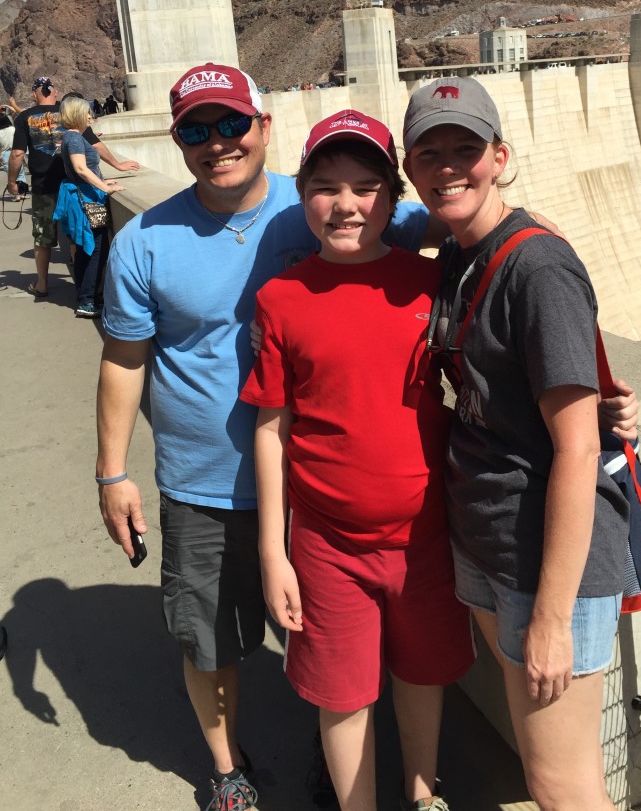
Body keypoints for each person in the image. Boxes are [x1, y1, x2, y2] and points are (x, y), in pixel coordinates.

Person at [95, 66, 434, 811]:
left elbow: (443, 224)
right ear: (177, 138)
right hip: (202, 478)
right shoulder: (145, 243)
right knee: (210, 636)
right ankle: (226, 769)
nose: (217, 144)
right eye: (195, 129)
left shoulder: (317, 201)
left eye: (231, 125)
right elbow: (124, 360)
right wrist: (111, 472)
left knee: (330, 639)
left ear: (264, 127)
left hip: (319, 486)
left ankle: (333, 755)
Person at [401, 76, 633, 811]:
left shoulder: (538, 270)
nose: (447, 167)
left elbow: (576, 448)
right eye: (428, 152)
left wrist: (554, 622)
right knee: (548, 774)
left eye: (465, 149)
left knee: (561, 784)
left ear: (499, 156)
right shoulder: (459, 254)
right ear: (409, 170)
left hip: (548, 564)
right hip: (491, 543)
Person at [242, 112, 475, 811]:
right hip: (325, 544)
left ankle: (422, 791)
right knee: (342, 695)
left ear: (394, 198)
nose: (346, 205)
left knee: (422, 673)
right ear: (303, 193)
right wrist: (274, 553)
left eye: (366, 187)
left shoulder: (430, 284)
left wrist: (605, 400)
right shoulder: (281, 299)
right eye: (327, 187)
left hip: (425, 536)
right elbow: (270, 428)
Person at [6, 77, 139, 298]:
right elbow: (95, 142)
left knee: (43, 238)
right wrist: (118, 165)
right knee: (77, 233)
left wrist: (12, 182)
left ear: (34, 93)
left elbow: (18, 154)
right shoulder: (69, 112)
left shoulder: (25, 117)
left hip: (43, 187)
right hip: (75, 187)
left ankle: (42, 285)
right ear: (55, 92)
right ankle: (82, 284)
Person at [54, 95, 125, 317]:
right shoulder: (74, 139)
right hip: (87, 201)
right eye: (85, 112)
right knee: (96, 250)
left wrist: (104, 182)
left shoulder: (71, 137)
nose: (89, 115)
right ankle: (88, 301)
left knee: (87, 251)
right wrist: (105, 188)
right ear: (76, 114)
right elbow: (81, 169)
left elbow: (85, 170)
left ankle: (86, 296)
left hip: (85, 197)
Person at [0, 103, 27, 196]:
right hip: (14, 151)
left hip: (4, 154)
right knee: (20, 173)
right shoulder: (12, 129)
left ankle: (16, 194)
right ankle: (22, 192)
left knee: (11, 175)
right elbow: (14, 111)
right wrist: (8, 105)